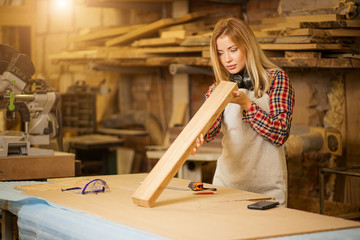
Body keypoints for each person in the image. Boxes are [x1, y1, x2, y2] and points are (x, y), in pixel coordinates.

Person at [192, 17, 295, 207]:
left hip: (267, 189)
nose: (227, 59)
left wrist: (247, 105)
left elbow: (280, 134)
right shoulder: (217, 89)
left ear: (248, 46)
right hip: (227, 185)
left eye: (233, 50)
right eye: (221, 53)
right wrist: (199, 132)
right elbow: (209, 129)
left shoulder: (277, 80)